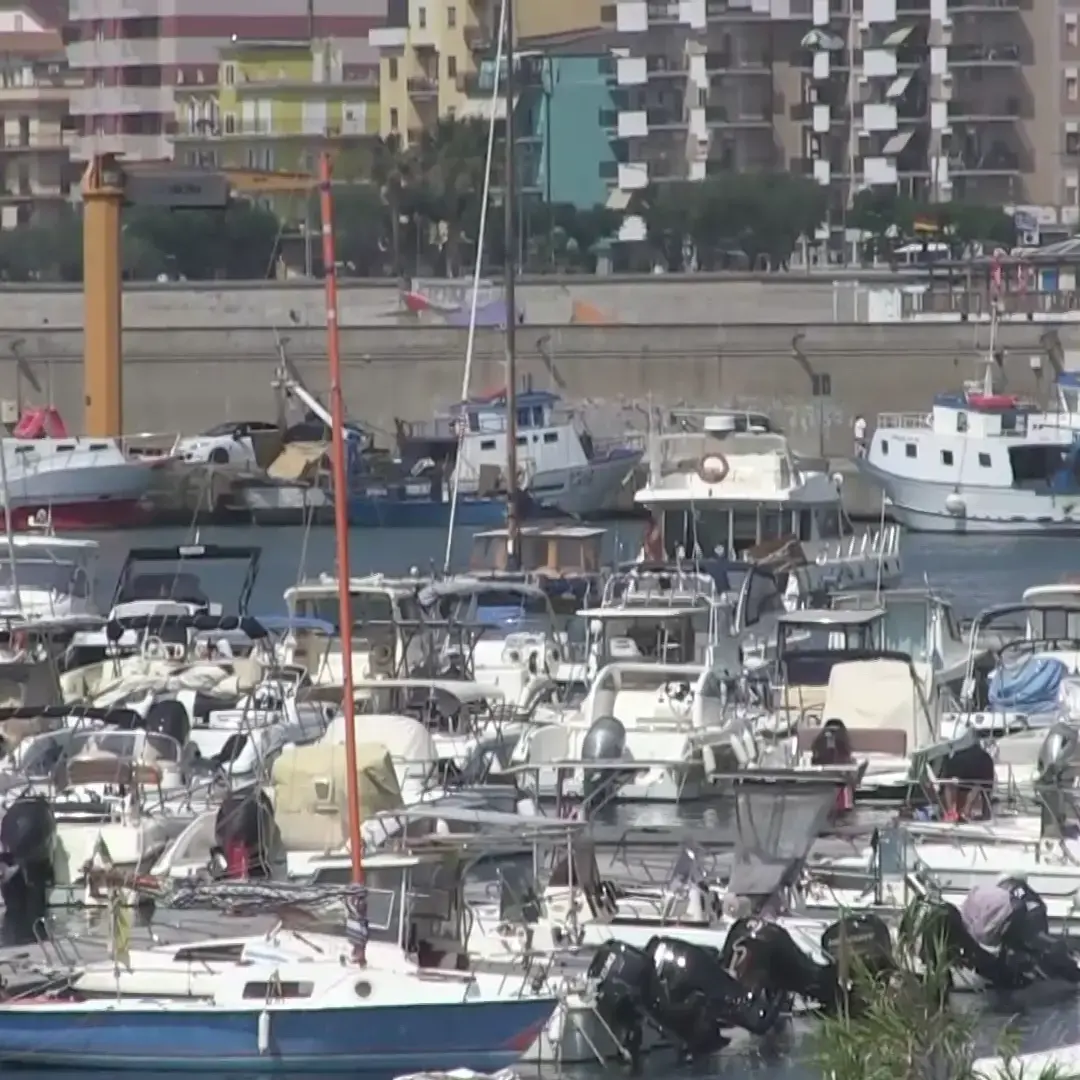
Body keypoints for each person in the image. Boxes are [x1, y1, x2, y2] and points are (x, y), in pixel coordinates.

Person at [939, 742, 995, 822]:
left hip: (964, 763)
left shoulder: (956, 759)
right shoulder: (985, 757)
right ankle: (965, 811)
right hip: (981, 767)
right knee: (978, 787)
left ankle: (953, 812)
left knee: (951, 784)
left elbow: (948, 784)